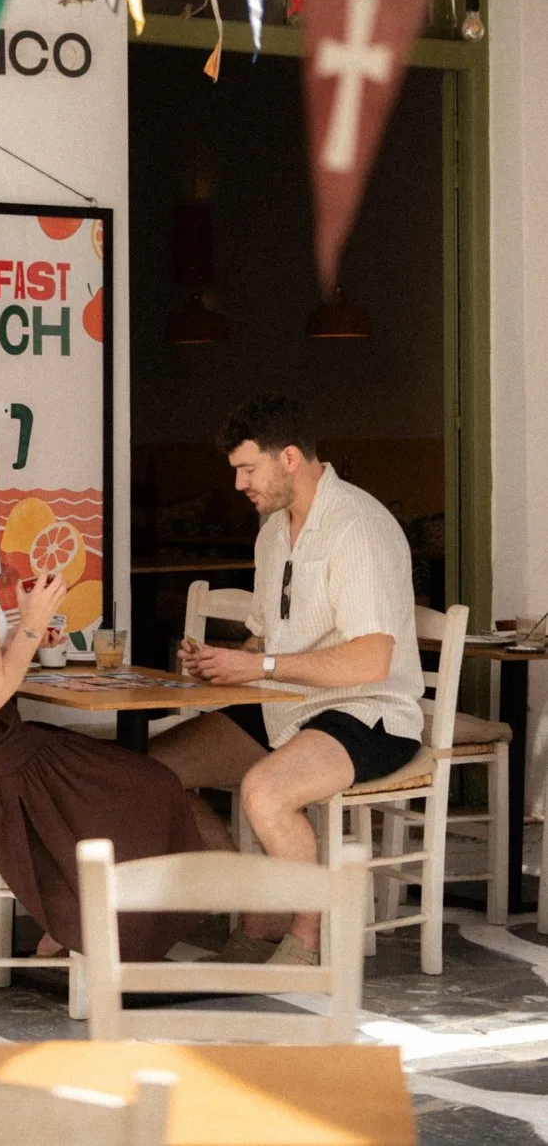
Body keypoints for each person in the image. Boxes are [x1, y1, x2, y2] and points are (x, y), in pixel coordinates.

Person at [0, 421, 203, 961]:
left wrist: (17, 634)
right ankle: (92, 929)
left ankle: (72, 921)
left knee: (103, 774)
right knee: (150, 783)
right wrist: (32, 623)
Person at [151, 395, 424, 966]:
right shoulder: (273, 530)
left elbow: (372, 661)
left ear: (291, 457)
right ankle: (260, 902)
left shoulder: (357, 527)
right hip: (289, 703)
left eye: (248, 468)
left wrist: (263, 666)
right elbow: (264, 640)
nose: (239, 484)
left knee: (265, 790)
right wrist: (224, 658)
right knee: (153, 773)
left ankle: (305, 936)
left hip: (367, 711)